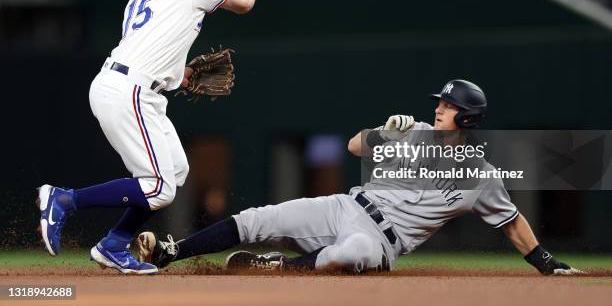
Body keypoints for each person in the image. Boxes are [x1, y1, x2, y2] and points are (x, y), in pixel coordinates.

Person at [136, 80, 582, 276]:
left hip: (382, 243)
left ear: (466, 117)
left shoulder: (481, 177)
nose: (438, 109)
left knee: (341, 255)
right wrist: (382, 130)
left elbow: (511, 220)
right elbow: (353, 147)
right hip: (347, 206)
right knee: (258, 219)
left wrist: (545, 261)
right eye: (439, 103)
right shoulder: (413, 132)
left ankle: (276, 269)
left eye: (446, 106)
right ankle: (171, 253)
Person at [36, 0, 262, 274]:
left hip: (134, 87)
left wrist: (181, 75)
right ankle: (65, 199)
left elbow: (149, 44)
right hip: (130, 91)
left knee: (174, 173)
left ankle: (113, 245)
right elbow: (243, 5)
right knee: (158, 187)